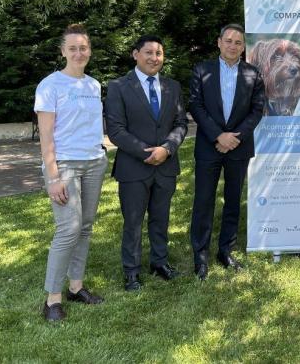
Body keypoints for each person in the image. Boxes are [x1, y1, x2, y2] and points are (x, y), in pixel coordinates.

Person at [34, 23, 108, 321]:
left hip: (94, 162)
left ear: (89, 50)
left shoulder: (93, 85)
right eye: (73, 48)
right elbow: (46, 136)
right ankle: (52, 299)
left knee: (85, 227)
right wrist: (53, 177)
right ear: (63, 51)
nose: (79, 53)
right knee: (68, 229)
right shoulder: (50, 85)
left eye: (83, 48)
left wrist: (101, 151)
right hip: (64, 165)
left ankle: (76, 287)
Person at [105, 35, 188, 291]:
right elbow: (115, 130)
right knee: (133, 222)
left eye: (159, 53)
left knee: (161, 218)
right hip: (133, 168)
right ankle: (131, 271)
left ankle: (159, 262)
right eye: (149, 52)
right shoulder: (118, 87)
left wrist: (167, 149)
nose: (154, 58)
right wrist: (147, 153)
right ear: (135, 54)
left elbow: (181, 124)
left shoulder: (173, 87)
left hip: (166, 166)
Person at [189, 23, 265, 279]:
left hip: (238, 148)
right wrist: (218, 136)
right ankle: (200, 255)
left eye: (238, 42)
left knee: (233, 200)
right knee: (203, 201)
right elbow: (196, 106)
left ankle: (225, 251)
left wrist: (235, 138)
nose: (233, 46)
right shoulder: (202, 70)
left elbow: (257, 110)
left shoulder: (253, 73)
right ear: (219, 42)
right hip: (209, 146)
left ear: (243, 47)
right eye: (229, 41)